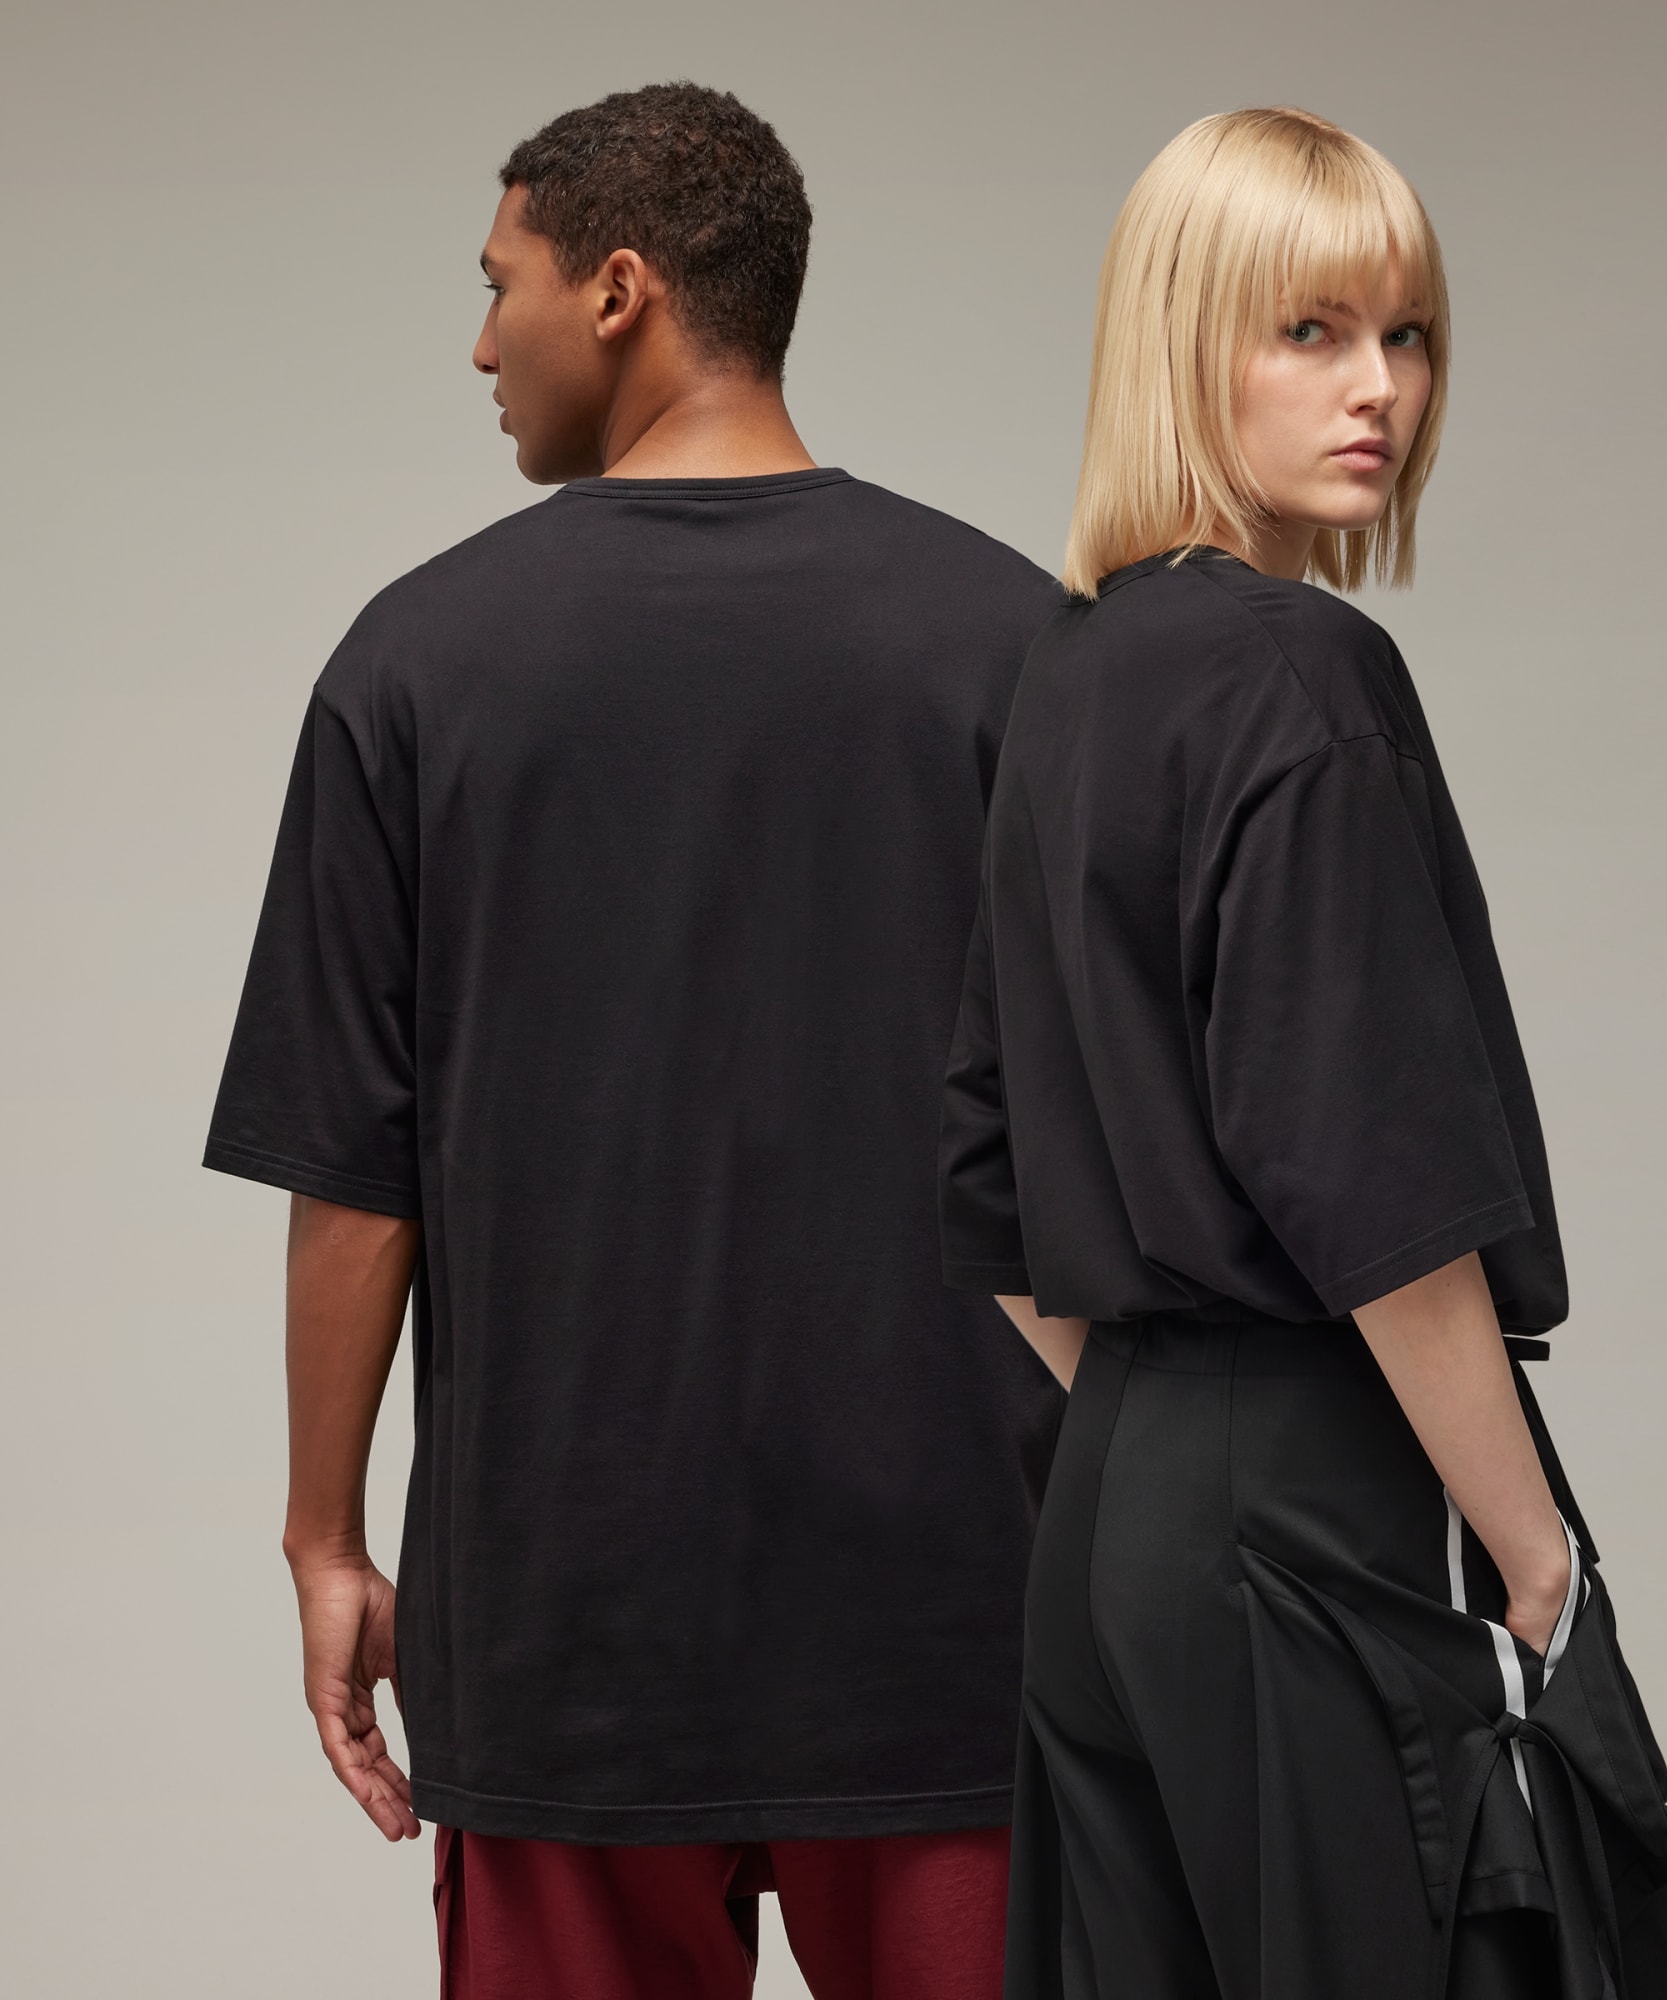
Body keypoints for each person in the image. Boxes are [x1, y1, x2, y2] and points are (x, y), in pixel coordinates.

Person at [206, 81, 1064, 1999]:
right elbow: (1112, 1151)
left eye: (496, 281)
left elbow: (356, 1175)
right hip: (964, 1612)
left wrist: (325, 1541)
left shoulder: (416, 665)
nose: (479, 342)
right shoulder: (1016, 644)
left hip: (570, 1619)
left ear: (615, 291)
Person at [940, 108, 1667, 2000]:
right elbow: (1373, 1185)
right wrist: (1539, 1566)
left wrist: (1164, 1433)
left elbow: (985, 1176)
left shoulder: (1068, 674)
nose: (1381, 388)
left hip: (1113, 1522)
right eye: (1310, 331)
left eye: (1407, 335)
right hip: (1318, 1489)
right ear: (1185, 342)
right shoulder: (1298, 674)